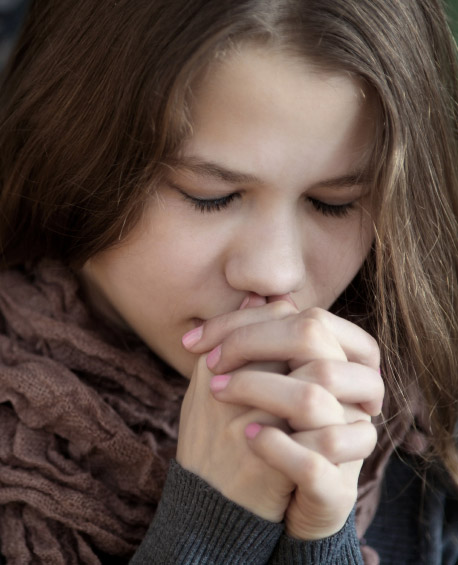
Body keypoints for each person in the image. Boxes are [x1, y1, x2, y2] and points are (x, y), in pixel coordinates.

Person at [0, 0, 457, 563]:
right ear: (71, 155)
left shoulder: (419, 426)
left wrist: (320, 535)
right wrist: (215, 527)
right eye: (209, 196)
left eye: (333, 203)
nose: (276, 273)